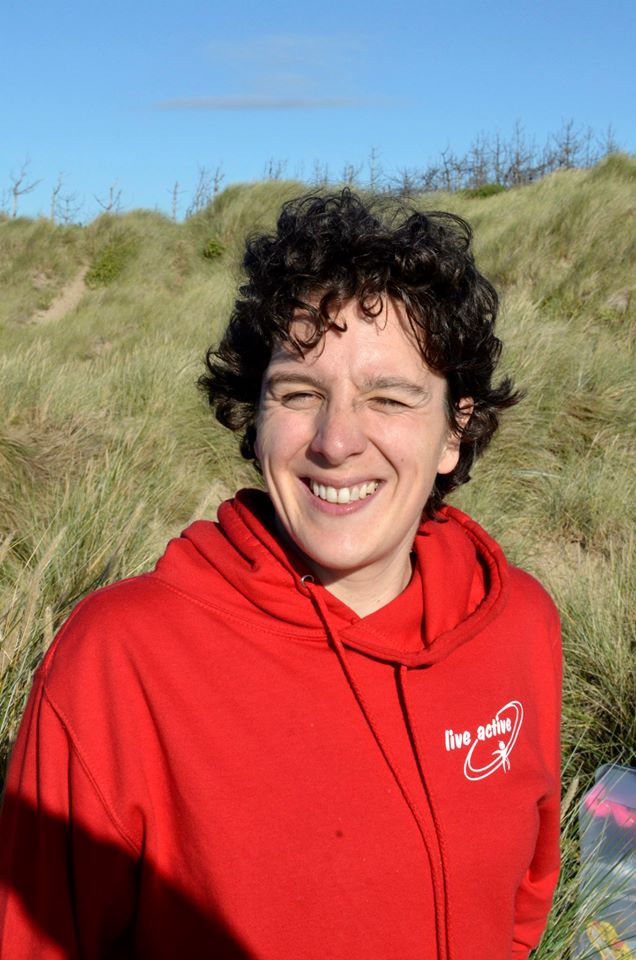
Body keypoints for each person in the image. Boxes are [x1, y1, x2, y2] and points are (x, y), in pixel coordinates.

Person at [0, 190, 561, 959]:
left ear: (452, 432)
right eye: (300, 393)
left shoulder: (518, 623)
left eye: (388, 397)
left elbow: (520, 904)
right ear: (257, 413)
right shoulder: (120, 661)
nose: (336, 441)